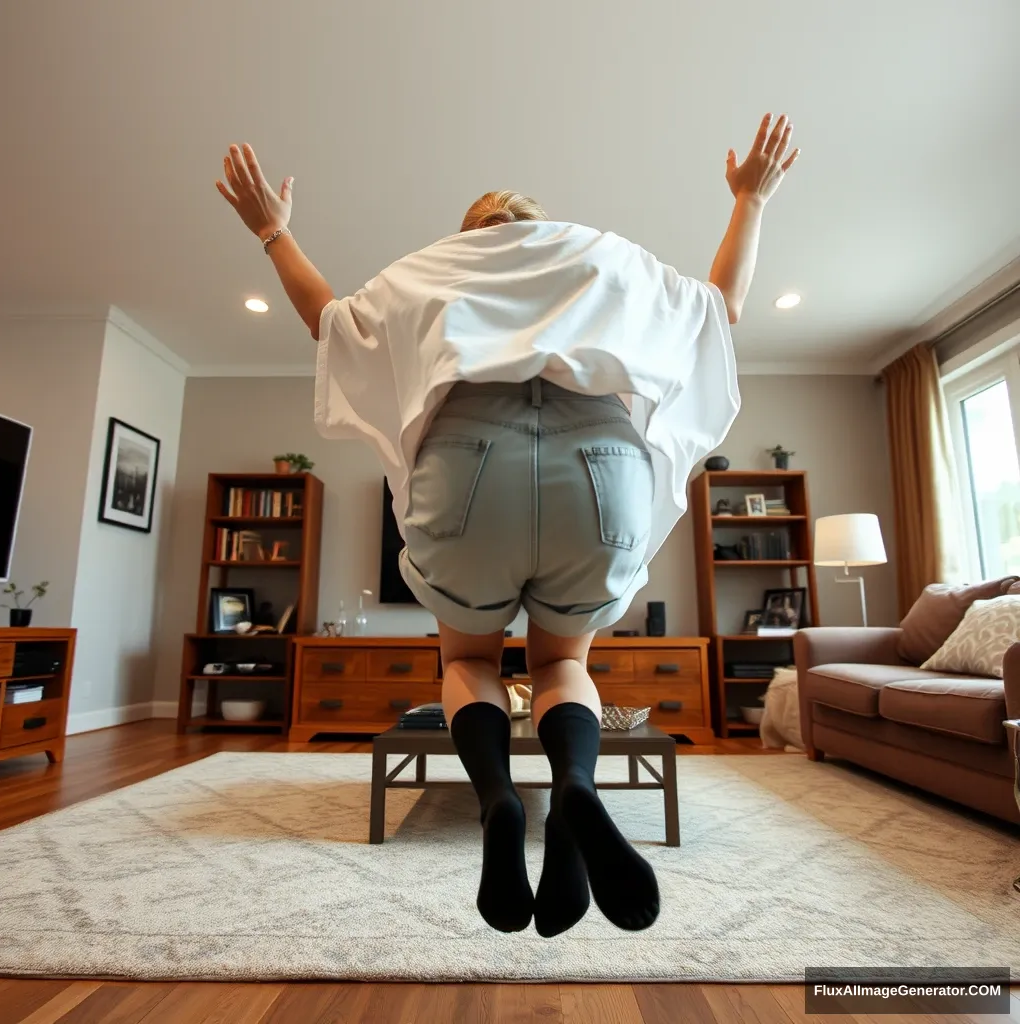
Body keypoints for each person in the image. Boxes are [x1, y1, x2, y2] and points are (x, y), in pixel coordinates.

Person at [216, 113, 799, 937]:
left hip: (469, 466)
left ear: (474, 233)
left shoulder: (436, 268)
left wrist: (274, 233)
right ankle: (576, 791)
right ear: (538, 224)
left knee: (468, 657)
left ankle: (497, 804)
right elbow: (721, 307)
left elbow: (330, 321)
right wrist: (750, 199)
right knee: (562, 661)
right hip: (600, 467)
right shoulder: (602, 257)